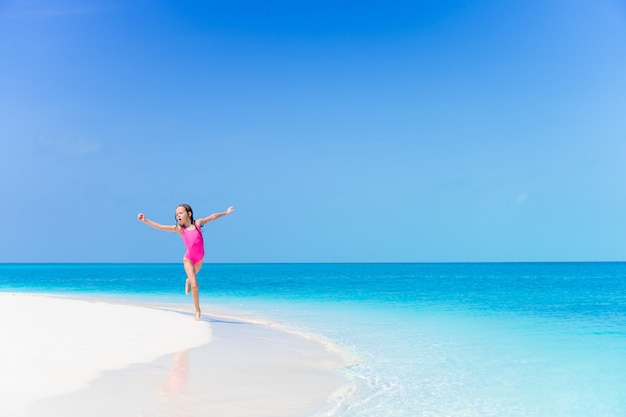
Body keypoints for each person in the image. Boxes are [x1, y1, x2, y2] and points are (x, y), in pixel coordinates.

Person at [137, 204, 234, 320]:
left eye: (180, 213)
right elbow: (161, 227)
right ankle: (197, 311)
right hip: (188, 259)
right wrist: (145, 220)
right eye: (176, 214)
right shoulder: (179, 229)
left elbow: (212, 217)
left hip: (200, 259)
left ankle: (188, 281)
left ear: (189, 214)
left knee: (191, 279)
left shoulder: (198, 224)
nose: (178, 215)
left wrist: (226, 212)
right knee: (195, 285)